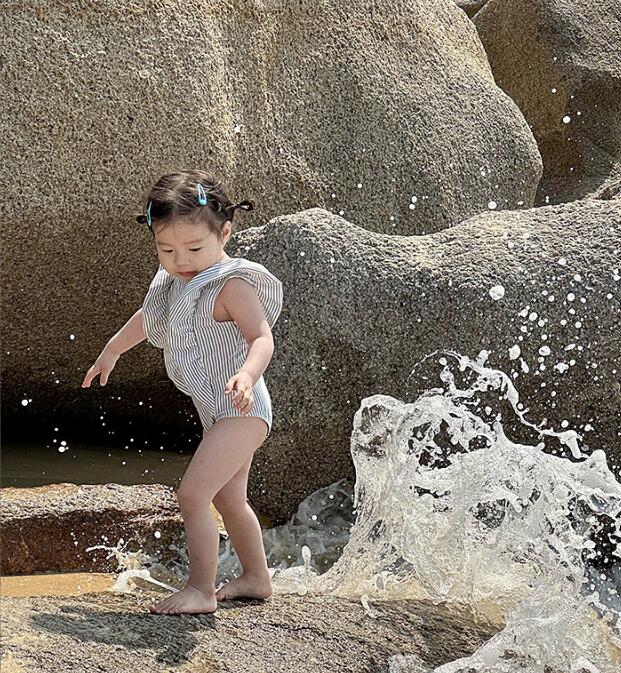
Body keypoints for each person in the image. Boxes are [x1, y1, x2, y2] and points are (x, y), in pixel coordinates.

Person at [81, 169, 283, 615]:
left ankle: (201, 589)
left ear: (224, 233)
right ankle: (256, 578)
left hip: (243, 409)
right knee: (230, 498)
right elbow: (146, 319)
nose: (181, 260)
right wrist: (112, 351)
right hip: (218, 411)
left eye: (194, 248)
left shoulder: (231, 284)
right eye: (166, 249)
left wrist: (247, 375)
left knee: (193, 495)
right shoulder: (174, 284)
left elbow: (262, 337)